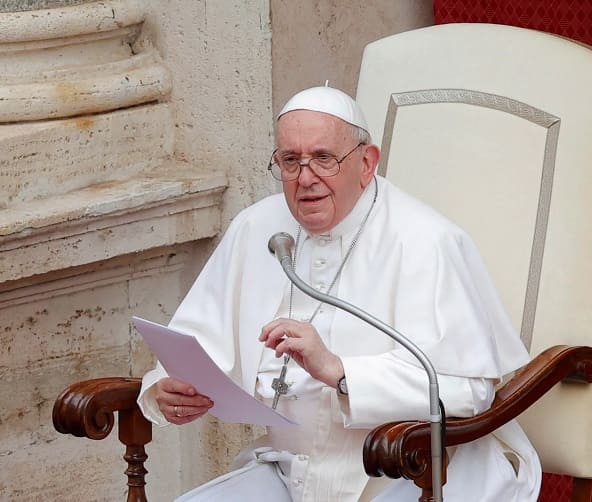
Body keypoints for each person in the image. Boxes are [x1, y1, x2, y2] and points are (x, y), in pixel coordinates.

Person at [137, 85, 541, 501]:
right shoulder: (256, 228)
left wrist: (340, 372)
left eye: (324, 158)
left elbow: (469, 391)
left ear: (367, 163)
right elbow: (198, 341)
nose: (305, 178)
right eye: (290, 160)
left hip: (414, 471)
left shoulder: (427, 241)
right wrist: (167, 386)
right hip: (293, 473)